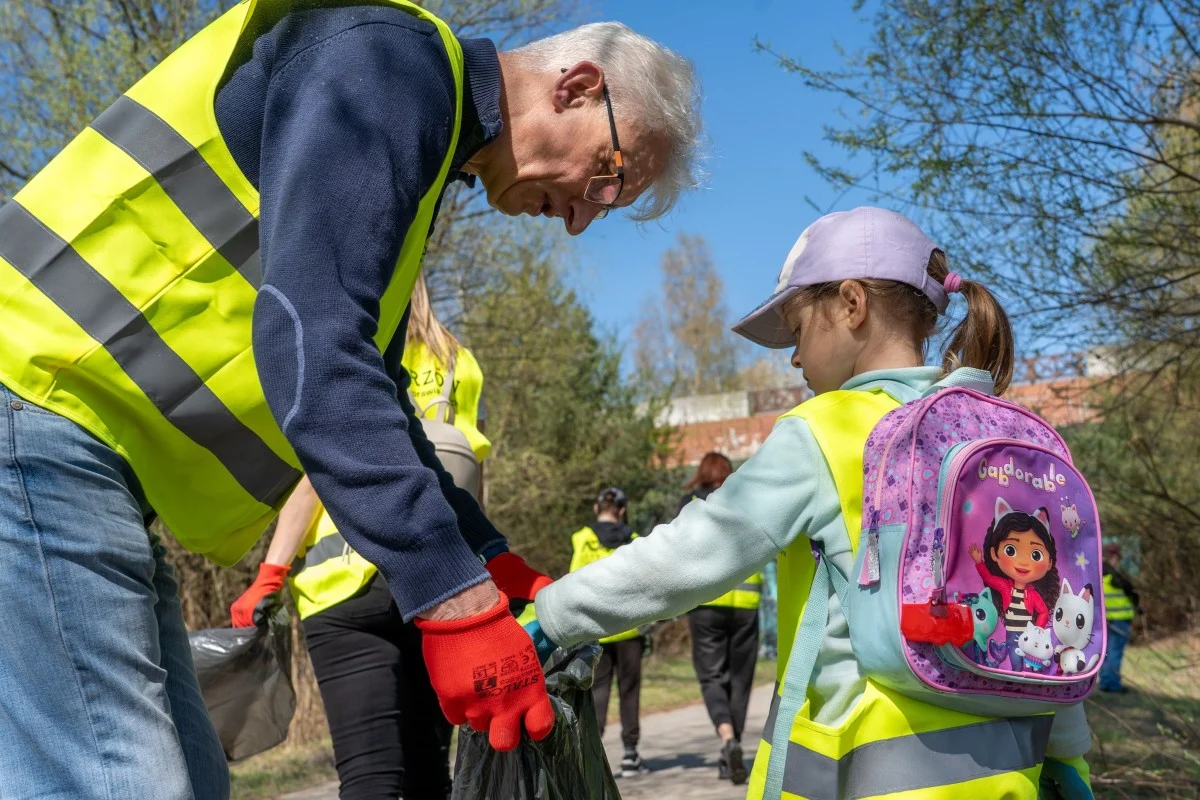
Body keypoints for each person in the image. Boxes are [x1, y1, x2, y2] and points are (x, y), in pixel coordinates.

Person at [0, 1, 703, 796]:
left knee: (188, 781)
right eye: (608, 177)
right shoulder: (389, 66)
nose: (581, 219)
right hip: (37, 408)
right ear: (575, 87)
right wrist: (452, 599)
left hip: (75, 444)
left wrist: (485, 555)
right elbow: (312, 338)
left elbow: (379, 393)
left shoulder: (417, 132)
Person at [529, 207, 1095, 799]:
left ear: (852, 304)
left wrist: (554, 614)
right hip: (1011, 779)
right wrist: (1070, 757)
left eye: (798, 331)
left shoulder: (826, 429)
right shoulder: (1005, 436)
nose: (795, 358)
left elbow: (690, 554)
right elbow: (1047, 624)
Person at [229, 275, 488, 799]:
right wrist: (481, 562)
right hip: (435, 576)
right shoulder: (458, 364)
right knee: (430, 773)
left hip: (340, 585)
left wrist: (270, 573)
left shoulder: (343, 342)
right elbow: (467, 471)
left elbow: (316, 475)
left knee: (371, 778)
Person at [678, 452, 761, 785]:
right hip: (746, 603)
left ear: (700, 474)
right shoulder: (746, 501)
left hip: (707, 602)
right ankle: (732, 748)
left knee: (712, 675)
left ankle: (727, 736)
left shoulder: (691, 506)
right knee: (740, 678)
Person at [569, 487, 650, 777]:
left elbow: (575, 582)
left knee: (598, 691)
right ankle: (630, 755)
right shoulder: (634, 541)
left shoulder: (583, 539)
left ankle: (592, 755)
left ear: (596, 508)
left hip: (597, 630)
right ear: (622, 510)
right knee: (630, 691)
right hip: (629, 628)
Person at [1099, 543, 1139, 693]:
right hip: (1119, 620)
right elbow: (1130, 592)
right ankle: (1113, 685)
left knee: (1106, 652)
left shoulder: (1099, 574)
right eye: (1118, 557)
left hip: (1106, 620)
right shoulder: (1114, 576)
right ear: (1114, 557)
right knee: (1115, 652)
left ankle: (1105, 682)